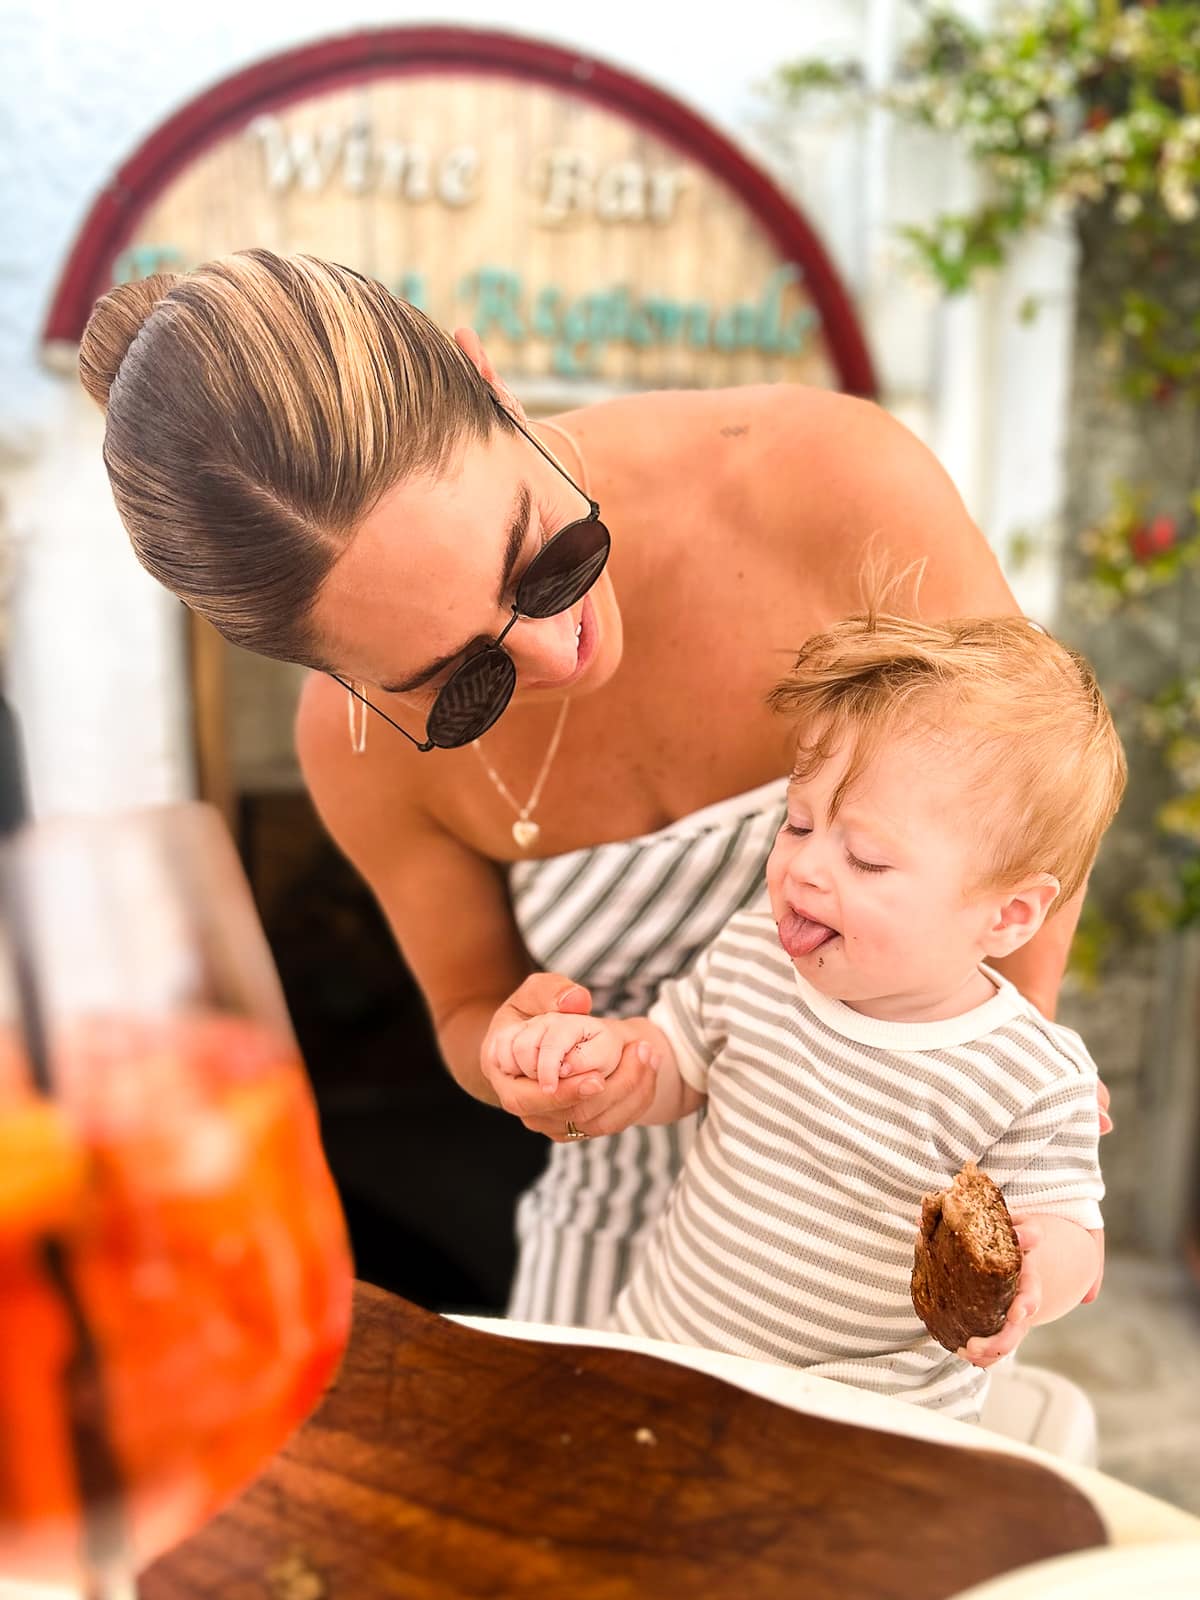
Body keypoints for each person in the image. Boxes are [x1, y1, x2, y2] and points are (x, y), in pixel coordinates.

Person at [78, 249, 1109, 1329]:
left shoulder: (826, 482)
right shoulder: (356, 751)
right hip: (611, 1247)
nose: (557, 655)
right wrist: (519, 1064)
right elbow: (468, 1005)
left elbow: (1034, 797)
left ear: (491, 385)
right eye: (461, 683)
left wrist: (1003, 1089)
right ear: (335, 676)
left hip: (884, 1219)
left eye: (543, 560)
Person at [488, 611, 1125, 1418]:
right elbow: (670, 1062)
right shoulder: (758, 952)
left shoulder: (1032, 1076)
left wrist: (1041, 1273)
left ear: (1007, 916)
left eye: (866, 857)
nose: (806, 868)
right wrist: (604, 1057)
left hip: (859, 1424)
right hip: (666, 1354)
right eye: (797, 823)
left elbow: (1072, 1227)